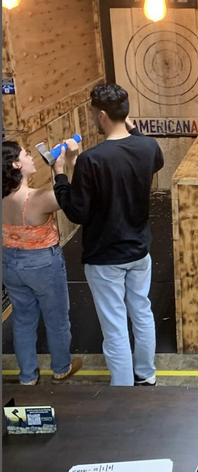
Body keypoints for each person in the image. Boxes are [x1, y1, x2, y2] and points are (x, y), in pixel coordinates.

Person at [53, 84, 164, 387]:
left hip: (104, 257)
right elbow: (154, 158)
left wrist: (61, 175)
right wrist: (134, 129)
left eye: (92, 113)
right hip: (139, 250)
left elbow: (77, 211)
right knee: (142, 312)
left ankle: (124, 389)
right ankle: (146, 374)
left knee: (114, 326)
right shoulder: (148, 147)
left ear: (101, 115)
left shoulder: (92, 159)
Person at [2, 141, 82, 385]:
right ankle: (61, 368)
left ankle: (27, 376)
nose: (30, 157)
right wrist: (62, 167)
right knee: (56, 317)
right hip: (42, 264)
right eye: (25, 154)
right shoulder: (39, 198)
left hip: (9, 262)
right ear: (16, 164)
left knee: (23, 319)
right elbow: (76, 200)